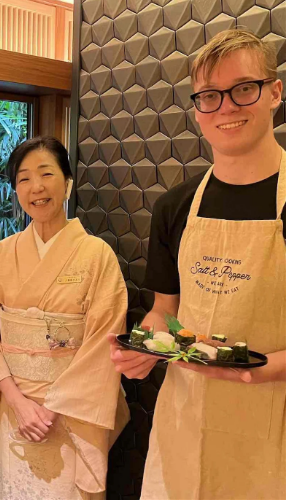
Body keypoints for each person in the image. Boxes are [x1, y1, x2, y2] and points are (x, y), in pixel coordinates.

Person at [108, 29, 286, 499]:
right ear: (197, 110)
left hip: (274, 425)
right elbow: (166, 310)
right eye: (209, 96)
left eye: (243, 88)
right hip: (186, 419)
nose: (226, 107)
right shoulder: (175, 207)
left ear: (275, 92)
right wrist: (143, 347)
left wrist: (259, 368)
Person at [0, 136, 130, 500]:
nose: (36, 187)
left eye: (46, 174)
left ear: (67, 182)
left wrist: (51, 410)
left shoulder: (96, 255)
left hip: (71, 414)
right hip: (15, 409)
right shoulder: (1, 256)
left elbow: (104, 345)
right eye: (23, 178)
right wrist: (20, 404)